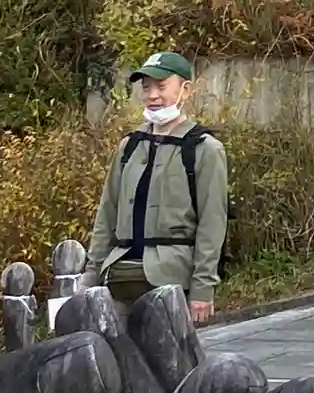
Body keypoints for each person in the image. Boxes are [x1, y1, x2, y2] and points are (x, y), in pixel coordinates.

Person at [84, 52, 228, 325]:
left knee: (168, 350)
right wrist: (90, 277)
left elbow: (212, 223)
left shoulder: (204, 149)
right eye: (146, 87)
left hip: (172, 280)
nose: (152, 95)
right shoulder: (130, 146)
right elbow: (107, 214)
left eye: (161, 86)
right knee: (115, 349)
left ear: (185, 89)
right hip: (120, 277)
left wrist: (202, 287)